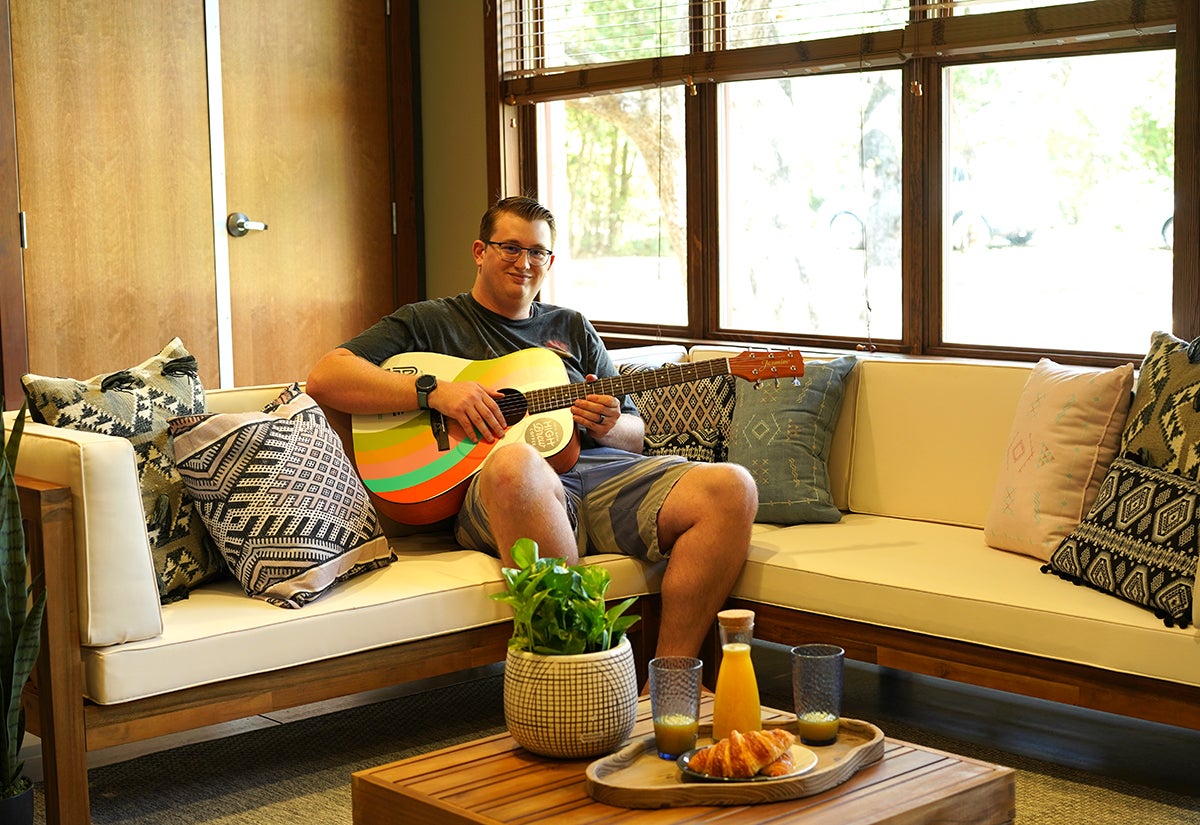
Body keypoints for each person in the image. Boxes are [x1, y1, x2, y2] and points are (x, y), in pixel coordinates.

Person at [306, 196, 756, 660]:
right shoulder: (429, 321)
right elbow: (327, 376)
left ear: (550, 261)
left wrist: (608, 425)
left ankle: (672, 680)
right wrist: (436, 392)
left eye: (537, 252)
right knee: (517, 461)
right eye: (510, 248)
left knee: (732, 487)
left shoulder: (572, 326)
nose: (524, 263)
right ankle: (577, 676)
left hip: (597, 473)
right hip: (504, 487)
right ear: (480, 251)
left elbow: (635, 436)